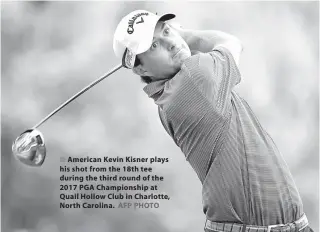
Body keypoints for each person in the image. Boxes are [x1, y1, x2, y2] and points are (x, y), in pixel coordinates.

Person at [113, 10, 314, 232]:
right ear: (140, 68)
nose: (170, 42)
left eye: (167, 31)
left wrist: (173, 42)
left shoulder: (172, 90)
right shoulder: (195, 79)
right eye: (153, 45)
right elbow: (231, 42)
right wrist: (186, 35)